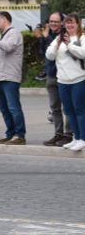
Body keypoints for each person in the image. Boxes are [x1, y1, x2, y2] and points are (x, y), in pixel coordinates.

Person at [0, 10, 26, 145]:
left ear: (4, 19)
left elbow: (8, 48)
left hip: (10, 77)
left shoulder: (14, 33)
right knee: (4, 108)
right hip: (0, 77)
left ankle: (20, 135)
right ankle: (10, 133)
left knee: (13, 107)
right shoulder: (2, 35)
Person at [45, 13, 85, 151]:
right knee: (69, 111)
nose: (69, 25)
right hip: (62, 80)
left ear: (77, 24)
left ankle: (82, 139)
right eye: (67, 23)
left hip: (79, 79)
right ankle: (76, 137)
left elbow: (82, 53)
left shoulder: (81, 37)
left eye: (72, 22)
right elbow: (49, 55)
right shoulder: (59, 38)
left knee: (79, 110)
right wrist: (58, 43)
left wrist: (69, 45)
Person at [39, 12, 72, 146]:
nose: (53, 24)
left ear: (62, 22)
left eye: (56, 21)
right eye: (51, 21)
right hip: (51, 76)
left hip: (64, 76)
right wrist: (43, 38)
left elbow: (54, 51)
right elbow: (44, 53)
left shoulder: (65, 36)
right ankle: (58, 134)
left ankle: (69, 134)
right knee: (55, 108)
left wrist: (46, 38)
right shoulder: (49, 36)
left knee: (68, 108)